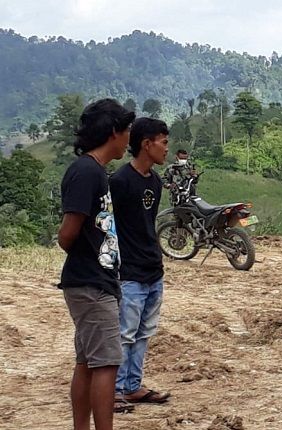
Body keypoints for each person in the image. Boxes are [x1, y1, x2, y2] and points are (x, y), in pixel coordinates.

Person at [57, 98, 135, 429]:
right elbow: (67, 233)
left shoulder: (94, 171)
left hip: (93, 280)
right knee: (106, 364)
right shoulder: (87, 172)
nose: (128, 137)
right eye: (127, 130)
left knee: (88, 362)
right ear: (114, 132)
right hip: (90, 282)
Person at [110, 117, 172, 407]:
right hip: (130, 272)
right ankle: (116, 389)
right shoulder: (120, 181)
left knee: (144, 332)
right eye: (163, 142)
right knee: (125, 333)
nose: (166, 149)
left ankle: (132, 384)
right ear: (147, 145)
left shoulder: (155, 181)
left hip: (152, 270)